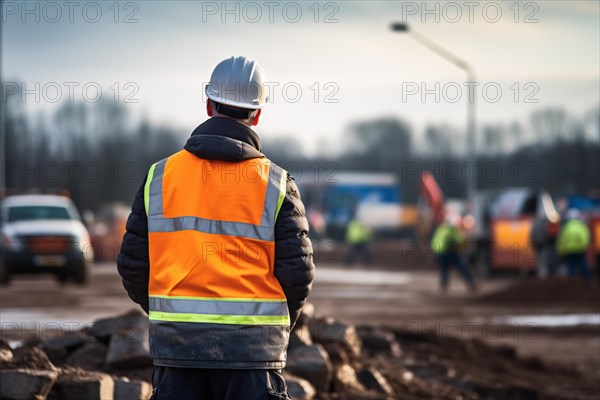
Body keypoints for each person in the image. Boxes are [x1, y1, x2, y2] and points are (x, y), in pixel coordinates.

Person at [117, 56, 315, 400]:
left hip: (177, 355)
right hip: (253, 357)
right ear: (258, 114)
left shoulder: (159, 178)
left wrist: (171, 317)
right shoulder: (277, 184)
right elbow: (297, 275)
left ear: (208, 104)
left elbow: (134, 267)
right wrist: (272, 327)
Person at [430, 214, 476, 292]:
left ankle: (444, 286)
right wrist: (465, 238)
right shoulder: (452, 230)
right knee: (462, 267)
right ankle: (471, 283)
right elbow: (457, 241)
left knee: (444, 270)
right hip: (450, 252)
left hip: (441, 253)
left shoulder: (441, 228)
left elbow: (435, 241)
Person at [556, 208, 591, 282]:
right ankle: (587, 281)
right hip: (579, 250)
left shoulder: (565, 228)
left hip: (568, 251)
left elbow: (561, 240)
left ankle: (572, 282)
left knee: (571, 267)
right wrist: (584, 246)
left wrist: (561, 251)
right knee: (582, 265)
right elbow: (585, 237)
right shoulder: (581, 226)